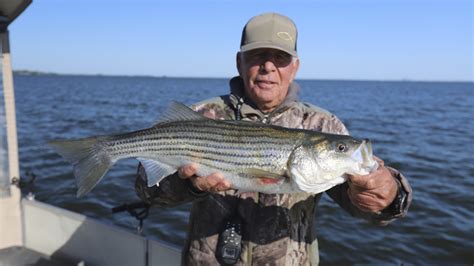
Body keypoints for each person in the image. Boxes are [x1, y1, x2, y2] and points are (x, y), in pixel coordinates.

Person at [135, 12, 412, 265]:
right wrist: (190, 188)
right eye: (257, 55)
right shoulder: (201, 115)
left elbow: (367, 206)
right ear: (239, 62)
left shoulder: (323, 125)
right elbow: (147, 192)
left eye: (280, 58)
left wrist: (389, 195)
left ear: (295, 67)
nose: (268, 66)